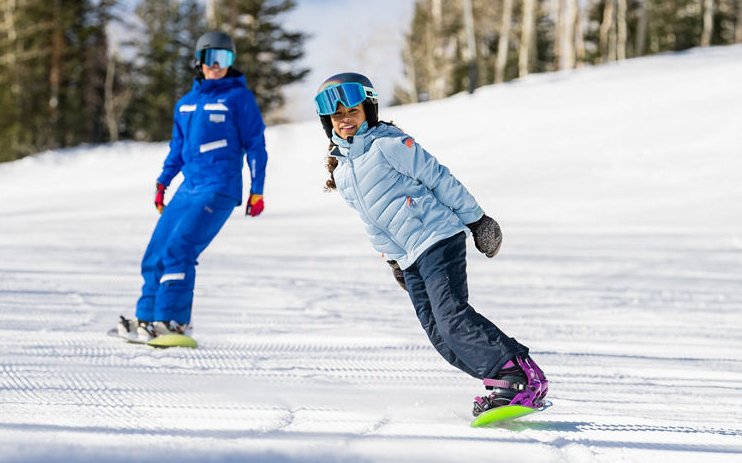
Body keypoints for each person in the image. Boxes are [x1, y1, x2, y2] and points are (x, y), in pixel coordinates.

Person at [313, 72, 548, 417]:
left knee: (452, 317)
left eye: (352, 111)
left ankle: (520, 373)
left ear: (369, 110)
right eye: (337, 116)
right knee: (440, 335)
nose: (345, 120)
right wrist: (394, 262)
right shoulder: (343, 168)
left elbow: (439, 178)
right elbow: (373, 221)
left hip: (437, 238)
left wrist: (477, 220)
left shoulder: (388, 143)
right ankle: (502, 381)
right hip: (408, 257)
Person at [116, 31, 268, 340]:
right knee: (156, 250)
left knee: (180, 247)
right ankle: (147, 318)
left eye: (224, 59)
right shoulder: (186, 104)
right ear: (198, 62)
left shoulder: (239, 98)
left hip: (219, 187)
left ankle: (174, 321)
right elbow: (177, 149)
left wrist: (257, 188)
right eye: (211, 58)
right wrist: (163, 183)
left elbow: (256, 146)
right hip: (189, 187)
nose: (217, 65)